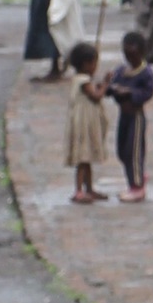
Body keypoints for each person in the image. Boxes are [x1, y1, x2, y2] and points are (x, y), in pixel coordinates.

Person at [105, 30, 153, 203]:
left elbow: (148, 92)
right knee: (122, 150)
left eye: (133, 56)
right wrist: (110, 87)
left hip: (136, 115)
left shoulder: (145, 72)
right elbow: (111, 87)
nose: (130, 59)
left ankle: (137, 186)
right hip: (124, 115)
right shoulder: (121, 70)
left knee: (133, 151)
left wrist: (130, 93)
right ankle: (138, 174)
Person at [65, 41, 109, 204]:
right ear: (87, 64)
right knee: (83, 159)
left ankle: (89, 189)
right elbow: (96, 96)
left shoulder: (82, 79)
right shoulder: (83, 80)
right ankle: (79, 190)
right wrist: (105, 84)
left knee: (87, 158)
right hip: (83, 124)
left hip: (85, 121)